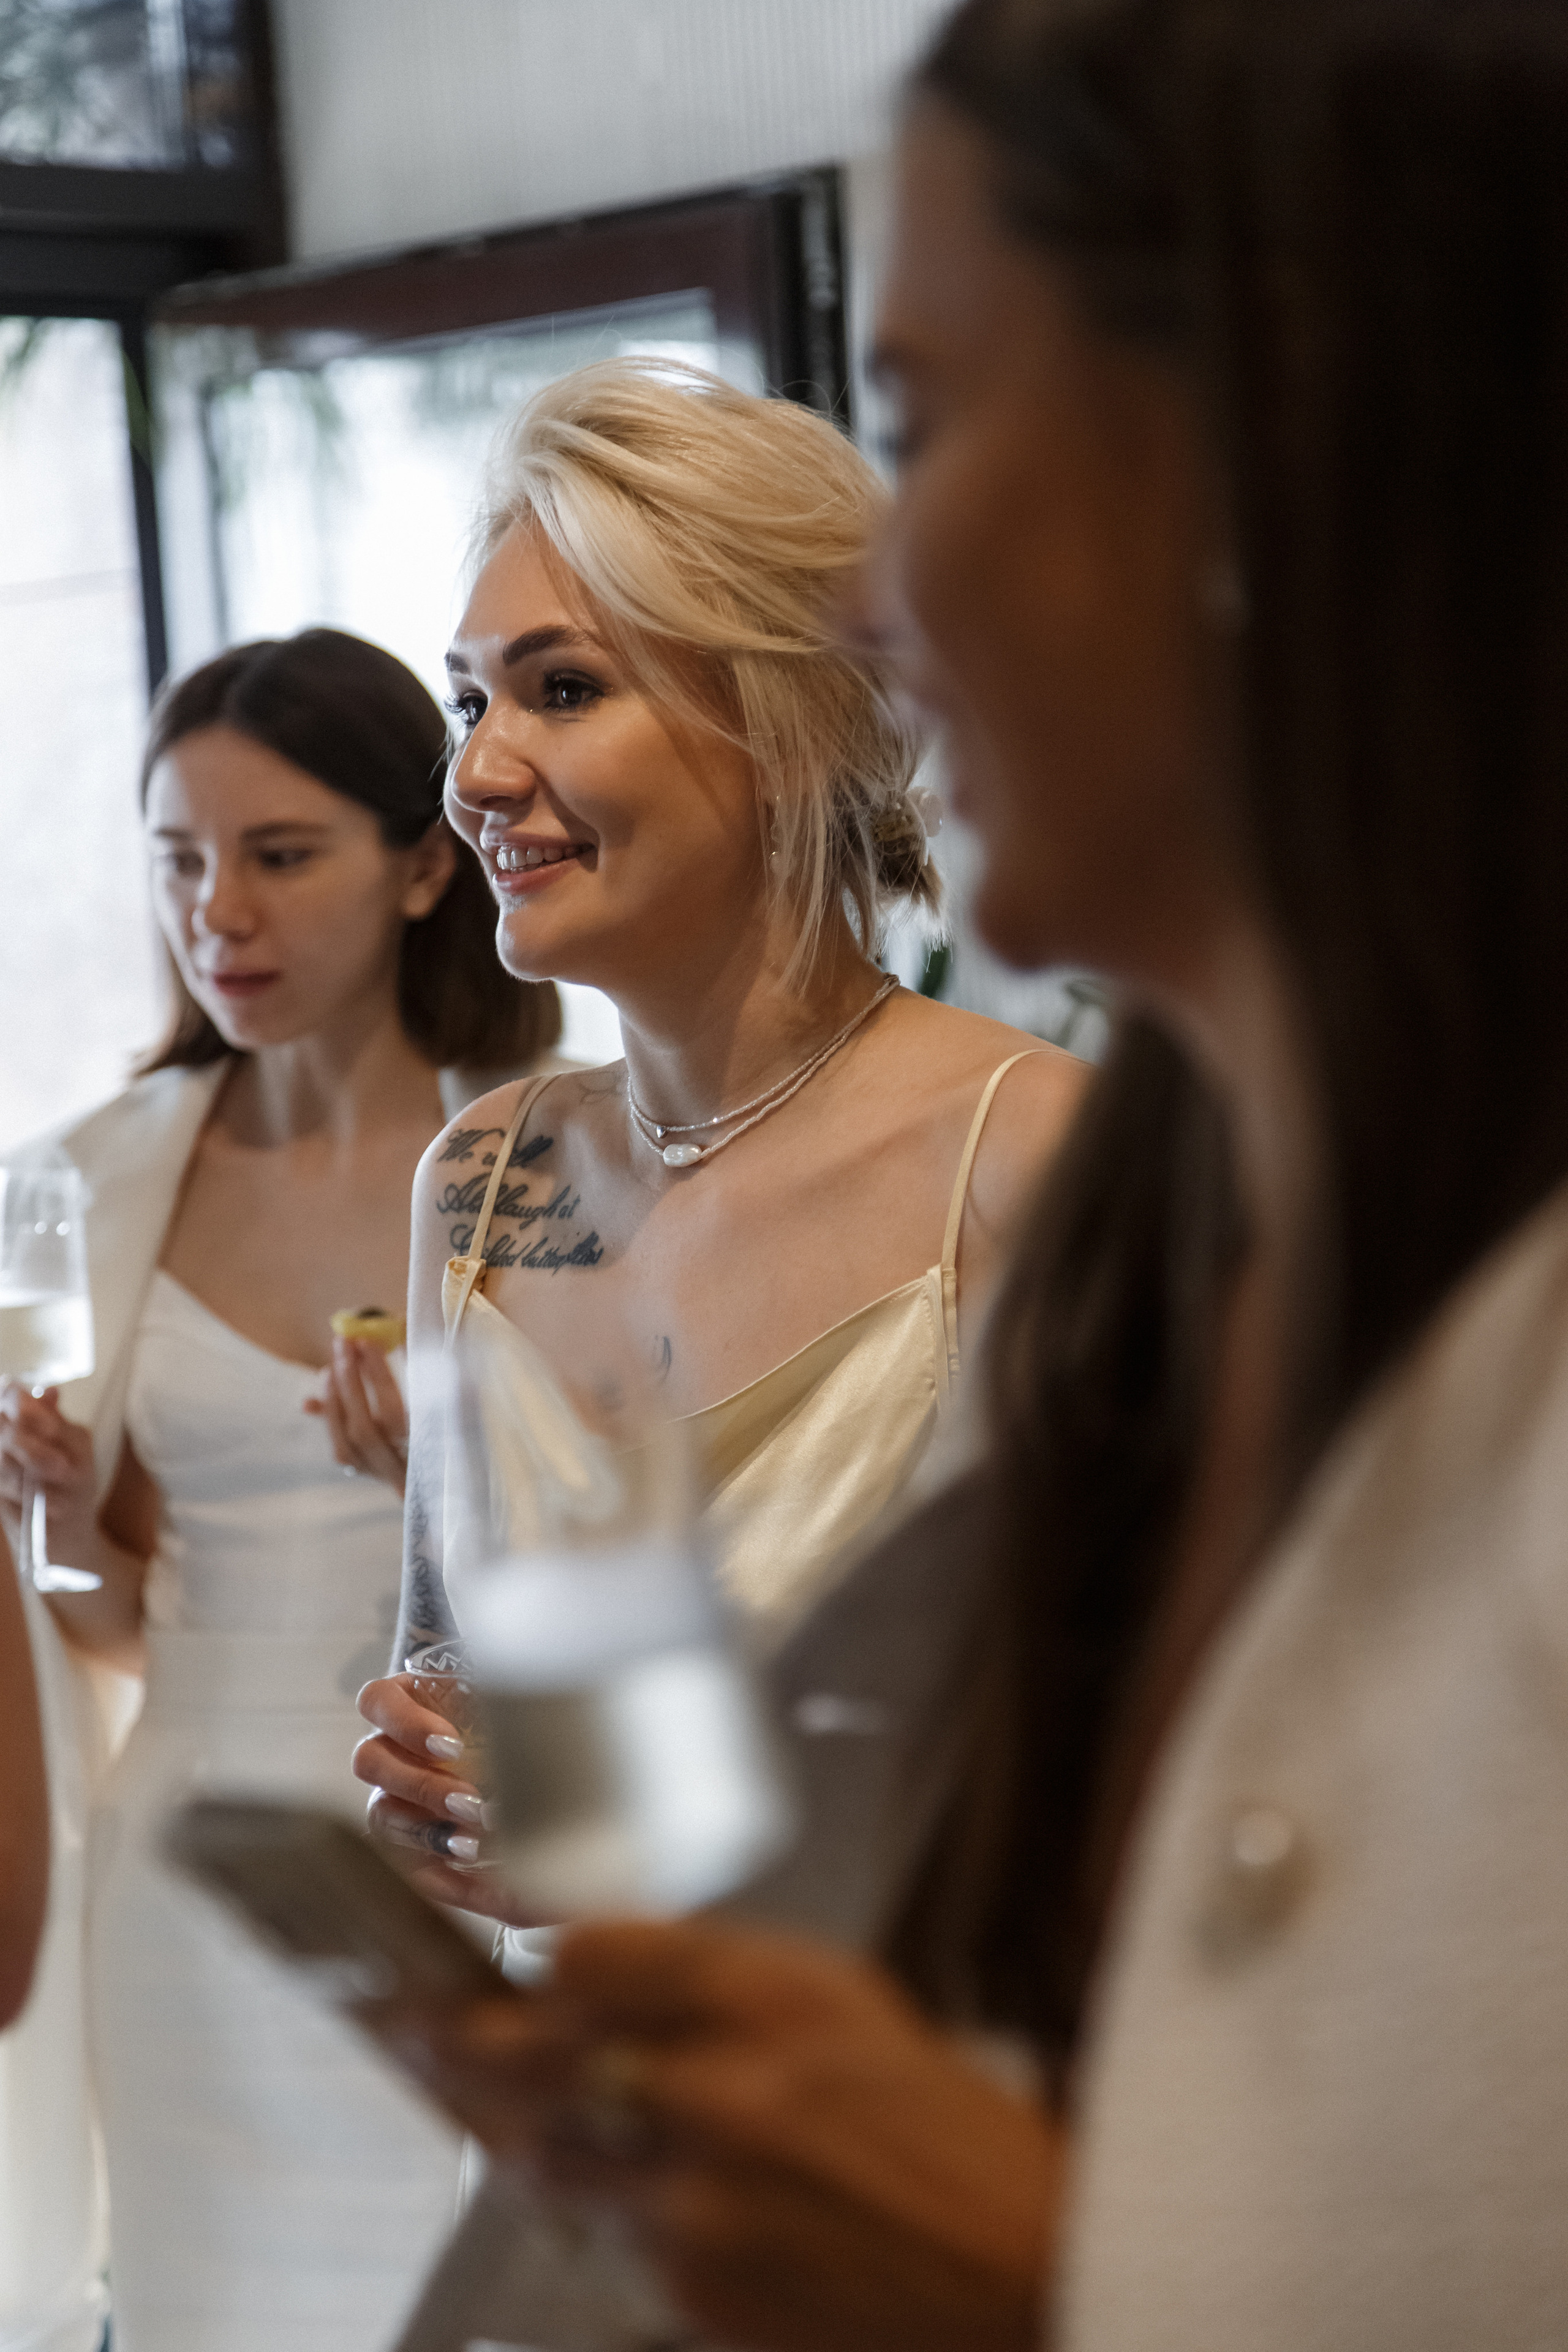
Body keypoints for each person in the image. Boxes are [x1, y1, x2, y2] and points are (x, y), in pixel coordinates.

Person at [366, 4, 1568, 2349]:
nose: (883, 589)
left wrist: (1029, 2272)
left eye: (922, 421)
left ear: (1278, 452)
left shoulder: (1069, 1173)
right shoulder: (1174, 1249)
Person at [351, 356, 1085, 1912]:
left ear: (789, 725)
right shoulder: (482, 1183)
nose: (477, 772)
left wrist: (627, 1840)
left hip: (885, 2107)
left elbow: (1123, 1763)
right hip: (568, 2104)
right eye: (470, 700)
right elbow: (453, 1693)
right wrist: (448, 1803)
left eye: (562, 689)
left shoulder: (1024, 1156)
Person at [0, 627, 565, 2352]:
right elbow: (114, 1637)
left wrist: (454, 1498)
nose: (215, 914)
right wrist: (77, 1533)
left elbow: (649, 1577)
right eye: (178, 861)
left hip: (442, 1879)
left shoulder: (551, 1165)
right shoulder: (92, 1180)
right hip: (185, 1892)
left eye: (277, 854)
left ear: (417, 865)